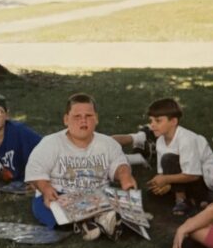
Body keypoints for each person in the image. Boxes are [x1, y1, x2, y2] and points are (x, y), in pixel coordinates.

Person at [24, 93, 137, 237]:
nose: (83, 121)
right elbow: (36, 170)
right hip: (60, 195)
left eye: (88, 116)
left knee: (122, 203)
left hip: (96, 196)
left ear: (96, 118)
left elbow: (120, 165)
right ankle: (96, 222)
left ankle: (90, 223)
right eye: (77, 116)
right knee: (45, 208)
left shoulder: (108, 143)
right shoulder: (50, 143)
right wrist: (45, 188)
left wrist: (125, 177)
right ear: (66, 119)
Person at [115, 98, 213, 216]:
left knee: (168, 158)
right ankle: (194, 200)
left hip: (205, 181)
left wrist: (166, 180)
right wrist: (164, 185)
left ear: (173, 121)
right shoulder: (160, 141)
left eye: (158, 121)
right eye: (151, 120)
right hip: (185, 177)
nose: (152, 125)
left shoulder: (186, 139)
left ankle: (185, 200)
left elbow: (193, 175)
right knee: (152, 194)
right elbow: (164, 173)